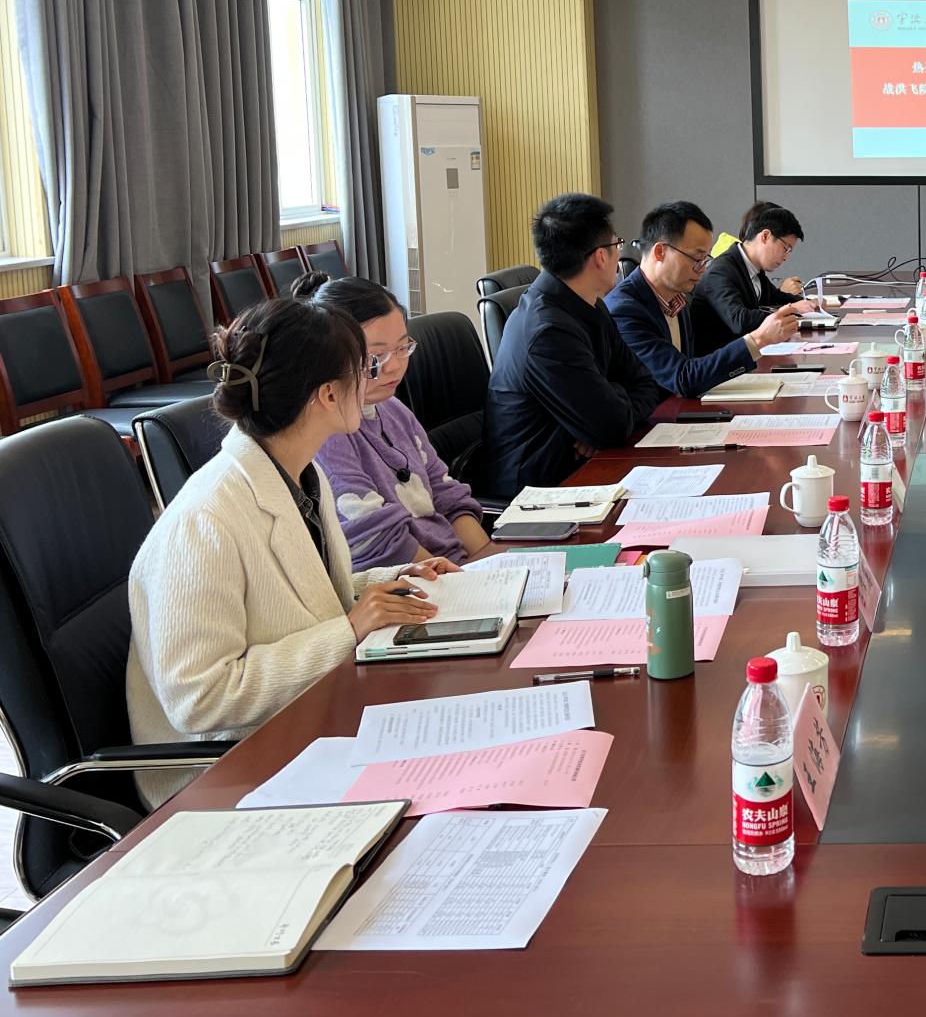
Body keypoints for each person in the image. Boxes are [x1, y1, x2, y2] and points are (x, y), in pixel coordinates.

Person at [126, 297, 451, 806]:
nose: (373, 379)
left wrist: (390, 578)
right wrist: (350, 629)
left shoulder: (300, 471)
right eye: (363, 369)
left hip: (307, 720)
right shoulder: (202, 521)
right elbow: (199, 699)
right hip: (227, 770)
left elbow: (300, 592)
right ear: (328, 394)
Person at [294, 272, 498, 571]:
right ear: (331, 356)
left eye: (403, 348)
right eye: (376, 357)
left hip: (457, 571)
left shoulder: (392, 408)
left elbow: (445, 493)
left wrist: (491, 561)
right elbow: (377, 539)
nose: (396, 367)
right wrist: (463, 581)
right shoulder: (327, 431)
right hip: (410, 579)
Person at [485, 193, 665, 495]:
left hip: (581, 468)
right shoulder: (548, 332)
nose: (619, 254)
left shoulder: (592, 306)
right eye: (617, 245)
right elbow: (612, 426)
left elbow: (645, 383)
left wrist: (601, 415)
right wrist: (602, 419)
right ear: (601, 256)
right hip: (539, 490)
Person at [607, 200, 799, 396]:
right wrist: (758, 339)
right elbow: (681, 378)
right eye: (696, 259)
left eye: (705, 259)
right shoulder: (625, 310)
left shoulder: (677, 299)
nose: (702, 268)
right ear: (660, 252)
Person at [698, 201, 820, 337]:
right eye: (786, 249)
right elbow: (739, 320)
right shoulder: (721, 270)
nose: (786, 257)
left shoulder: (754, 269)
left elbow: (777, 298)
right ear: (765, 236)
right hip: (723, 348)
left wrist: (811, 303)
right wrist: (793, 309)